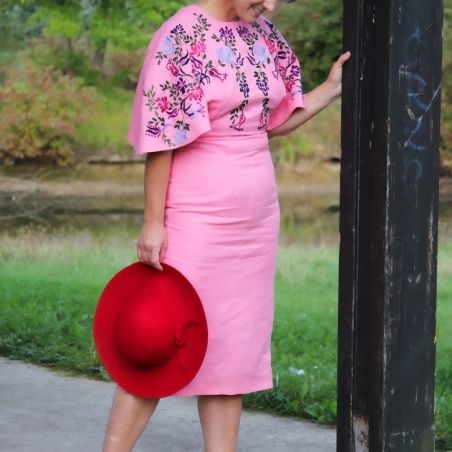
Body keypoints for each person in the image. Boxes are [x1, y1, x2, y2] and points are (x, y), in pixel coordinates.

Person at [101, 1, 351, 451]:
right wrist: (152, 222)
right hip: (196, 217)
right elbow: (162, 139)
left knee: (232, 355)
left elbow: (272, 122)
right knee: (160, 338)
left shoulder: (263, 33)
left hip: (254, 224)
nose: (270, 5)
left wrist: (330, 90)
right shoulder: (180, 35)